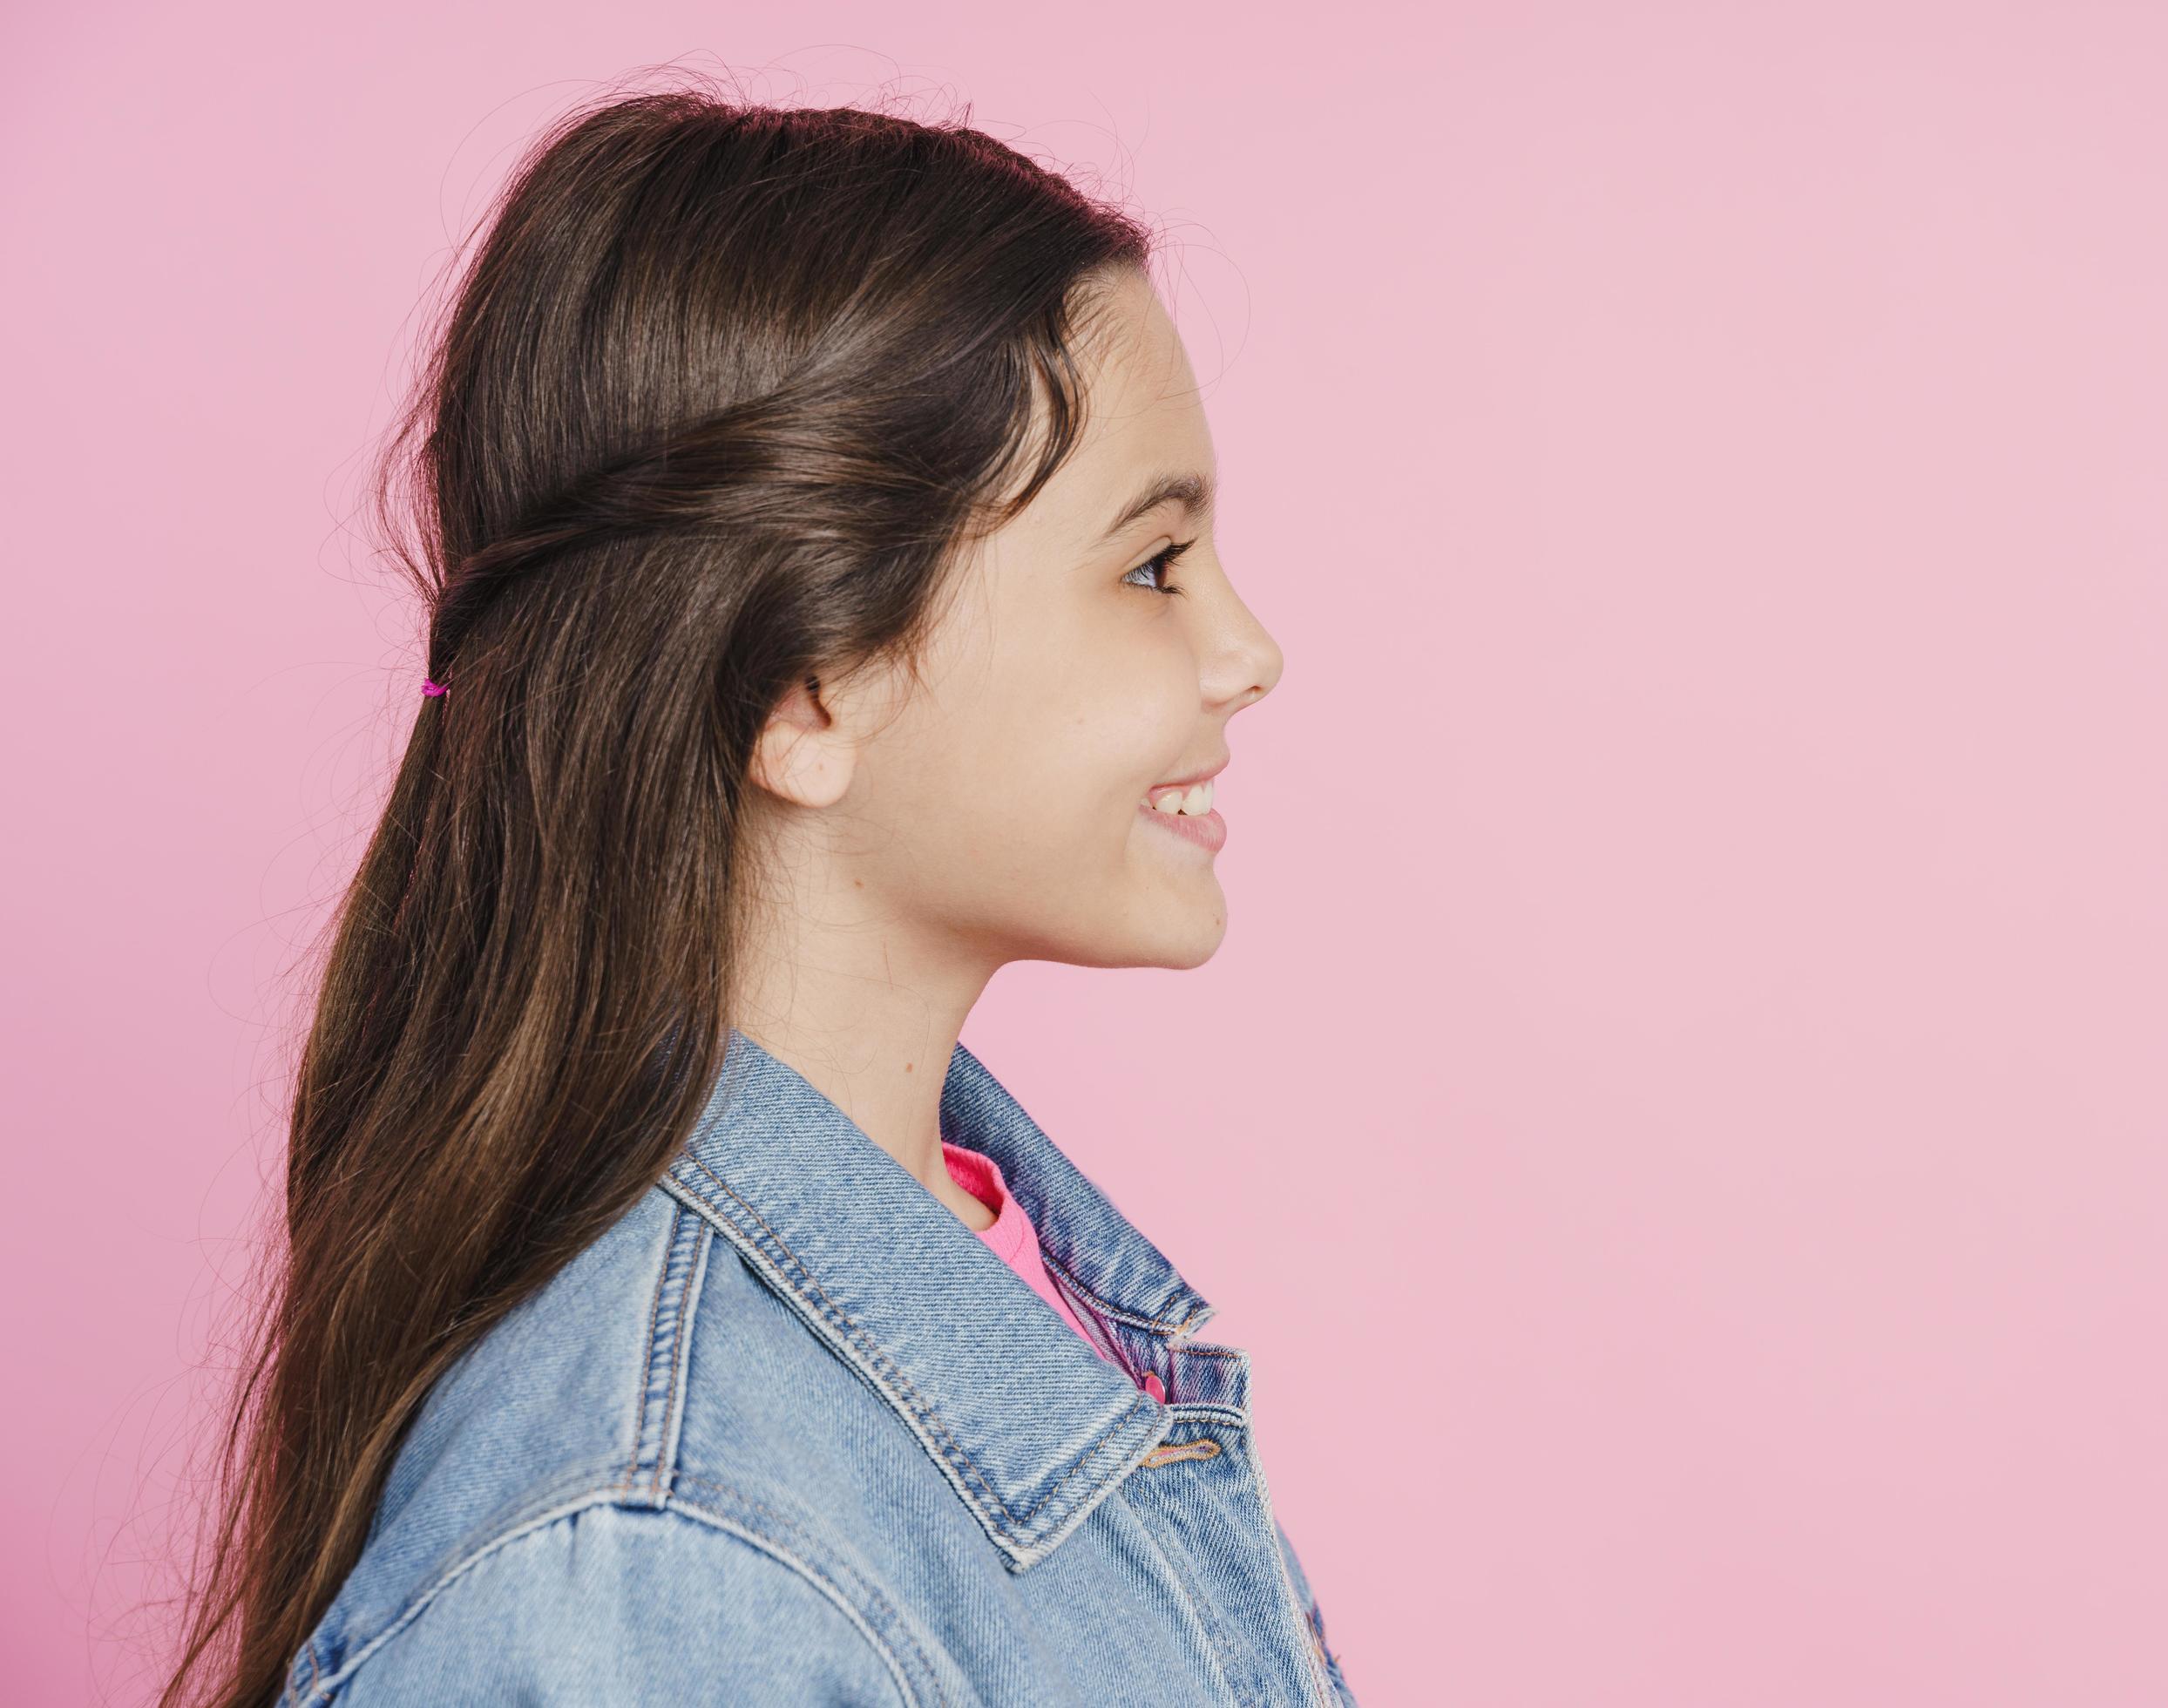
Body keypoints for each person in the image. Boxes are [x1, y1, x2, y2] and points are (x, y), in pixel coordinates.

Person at [156, 85, 1358, 1708]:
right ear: (805, 689)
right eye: (1150, 566)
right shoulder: (654, 1571)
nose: (1247, 652)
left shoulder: (986, 1282)